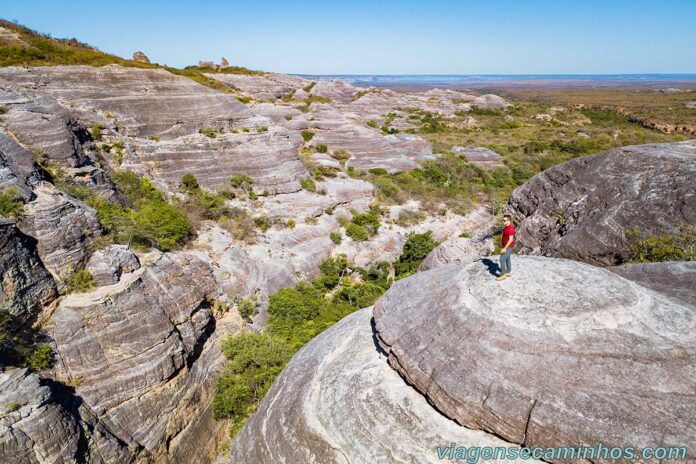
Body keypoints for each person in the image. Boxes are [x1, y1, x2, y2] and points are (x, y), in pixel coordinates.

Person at [496, 215, 515, 281]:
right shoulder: (505, 227)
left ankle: (503, 274)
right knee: (507, 259)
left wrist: (505, 248)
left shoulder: (510, 229)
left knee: (502, 259)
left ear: (509, 221)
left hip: (508, 246)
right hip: (506, 246)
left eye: (504, 220)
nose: (503, 221)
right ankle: (508, 271)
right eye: (503, 220)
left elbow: (510, 240)